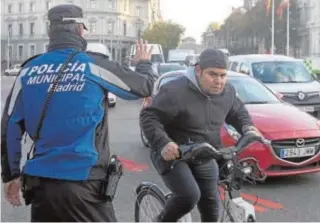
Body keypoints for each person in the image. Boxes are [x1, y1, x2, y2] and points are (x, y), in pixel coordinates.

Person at [1, 4, 155, 222]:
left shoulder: (28, 70)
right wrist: (144, 64)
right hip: (84, 182)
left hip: (41, 186)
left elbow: (9, 127)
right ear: (80, 30)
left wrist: (11, 175)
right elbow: (143, 87)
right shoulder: (92, 64)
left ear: (49, 32)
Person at [140, 48, 261, 222]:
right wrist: (164, 142)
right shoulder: (175, 91)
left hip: (205, 153)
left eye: (223, 75)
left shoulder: (228, 92)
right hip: (173, 153)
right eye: (213, 74)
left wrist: (248, 127)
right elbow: (149, 116)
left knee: (211, 206)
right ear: (198, 70)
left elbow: (237, 112)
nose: (219, 81)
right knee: (189, 196)